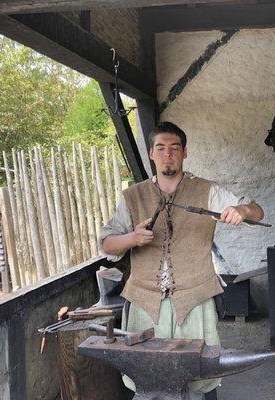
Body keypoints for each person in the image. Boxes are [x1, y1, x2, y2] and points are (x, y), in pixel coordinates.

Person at [99, 121, 264, 399]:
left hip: (194, 299)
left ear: (185, 153)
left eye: (175, 147)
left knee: (201, 374)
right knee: (146, 378)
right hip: (144, 302)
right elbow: (106, 243)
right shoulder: (132, 196)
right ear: (151, 153)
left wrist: (241, 209)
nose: (168, 154)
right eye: (161, 148)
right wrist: (132, 239)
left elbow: (257, 212)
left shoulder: (207, 191)